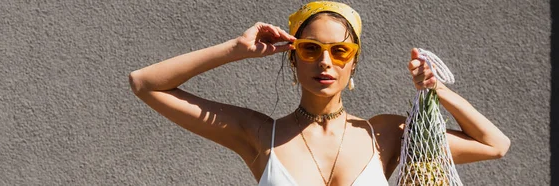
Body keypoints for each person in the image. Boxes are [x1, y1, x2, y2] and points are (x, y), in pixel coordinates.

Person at [128, 1, 510, 185]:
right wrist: (236, 49)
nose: (325, 62)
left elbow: (495, 145)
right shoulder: (260, 135)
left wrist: (437, 89)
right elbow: (145, 83)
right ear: (294, 60)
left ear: (353, 63)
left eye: (340, 51)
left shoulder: (386, 135)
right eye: (310, 49)